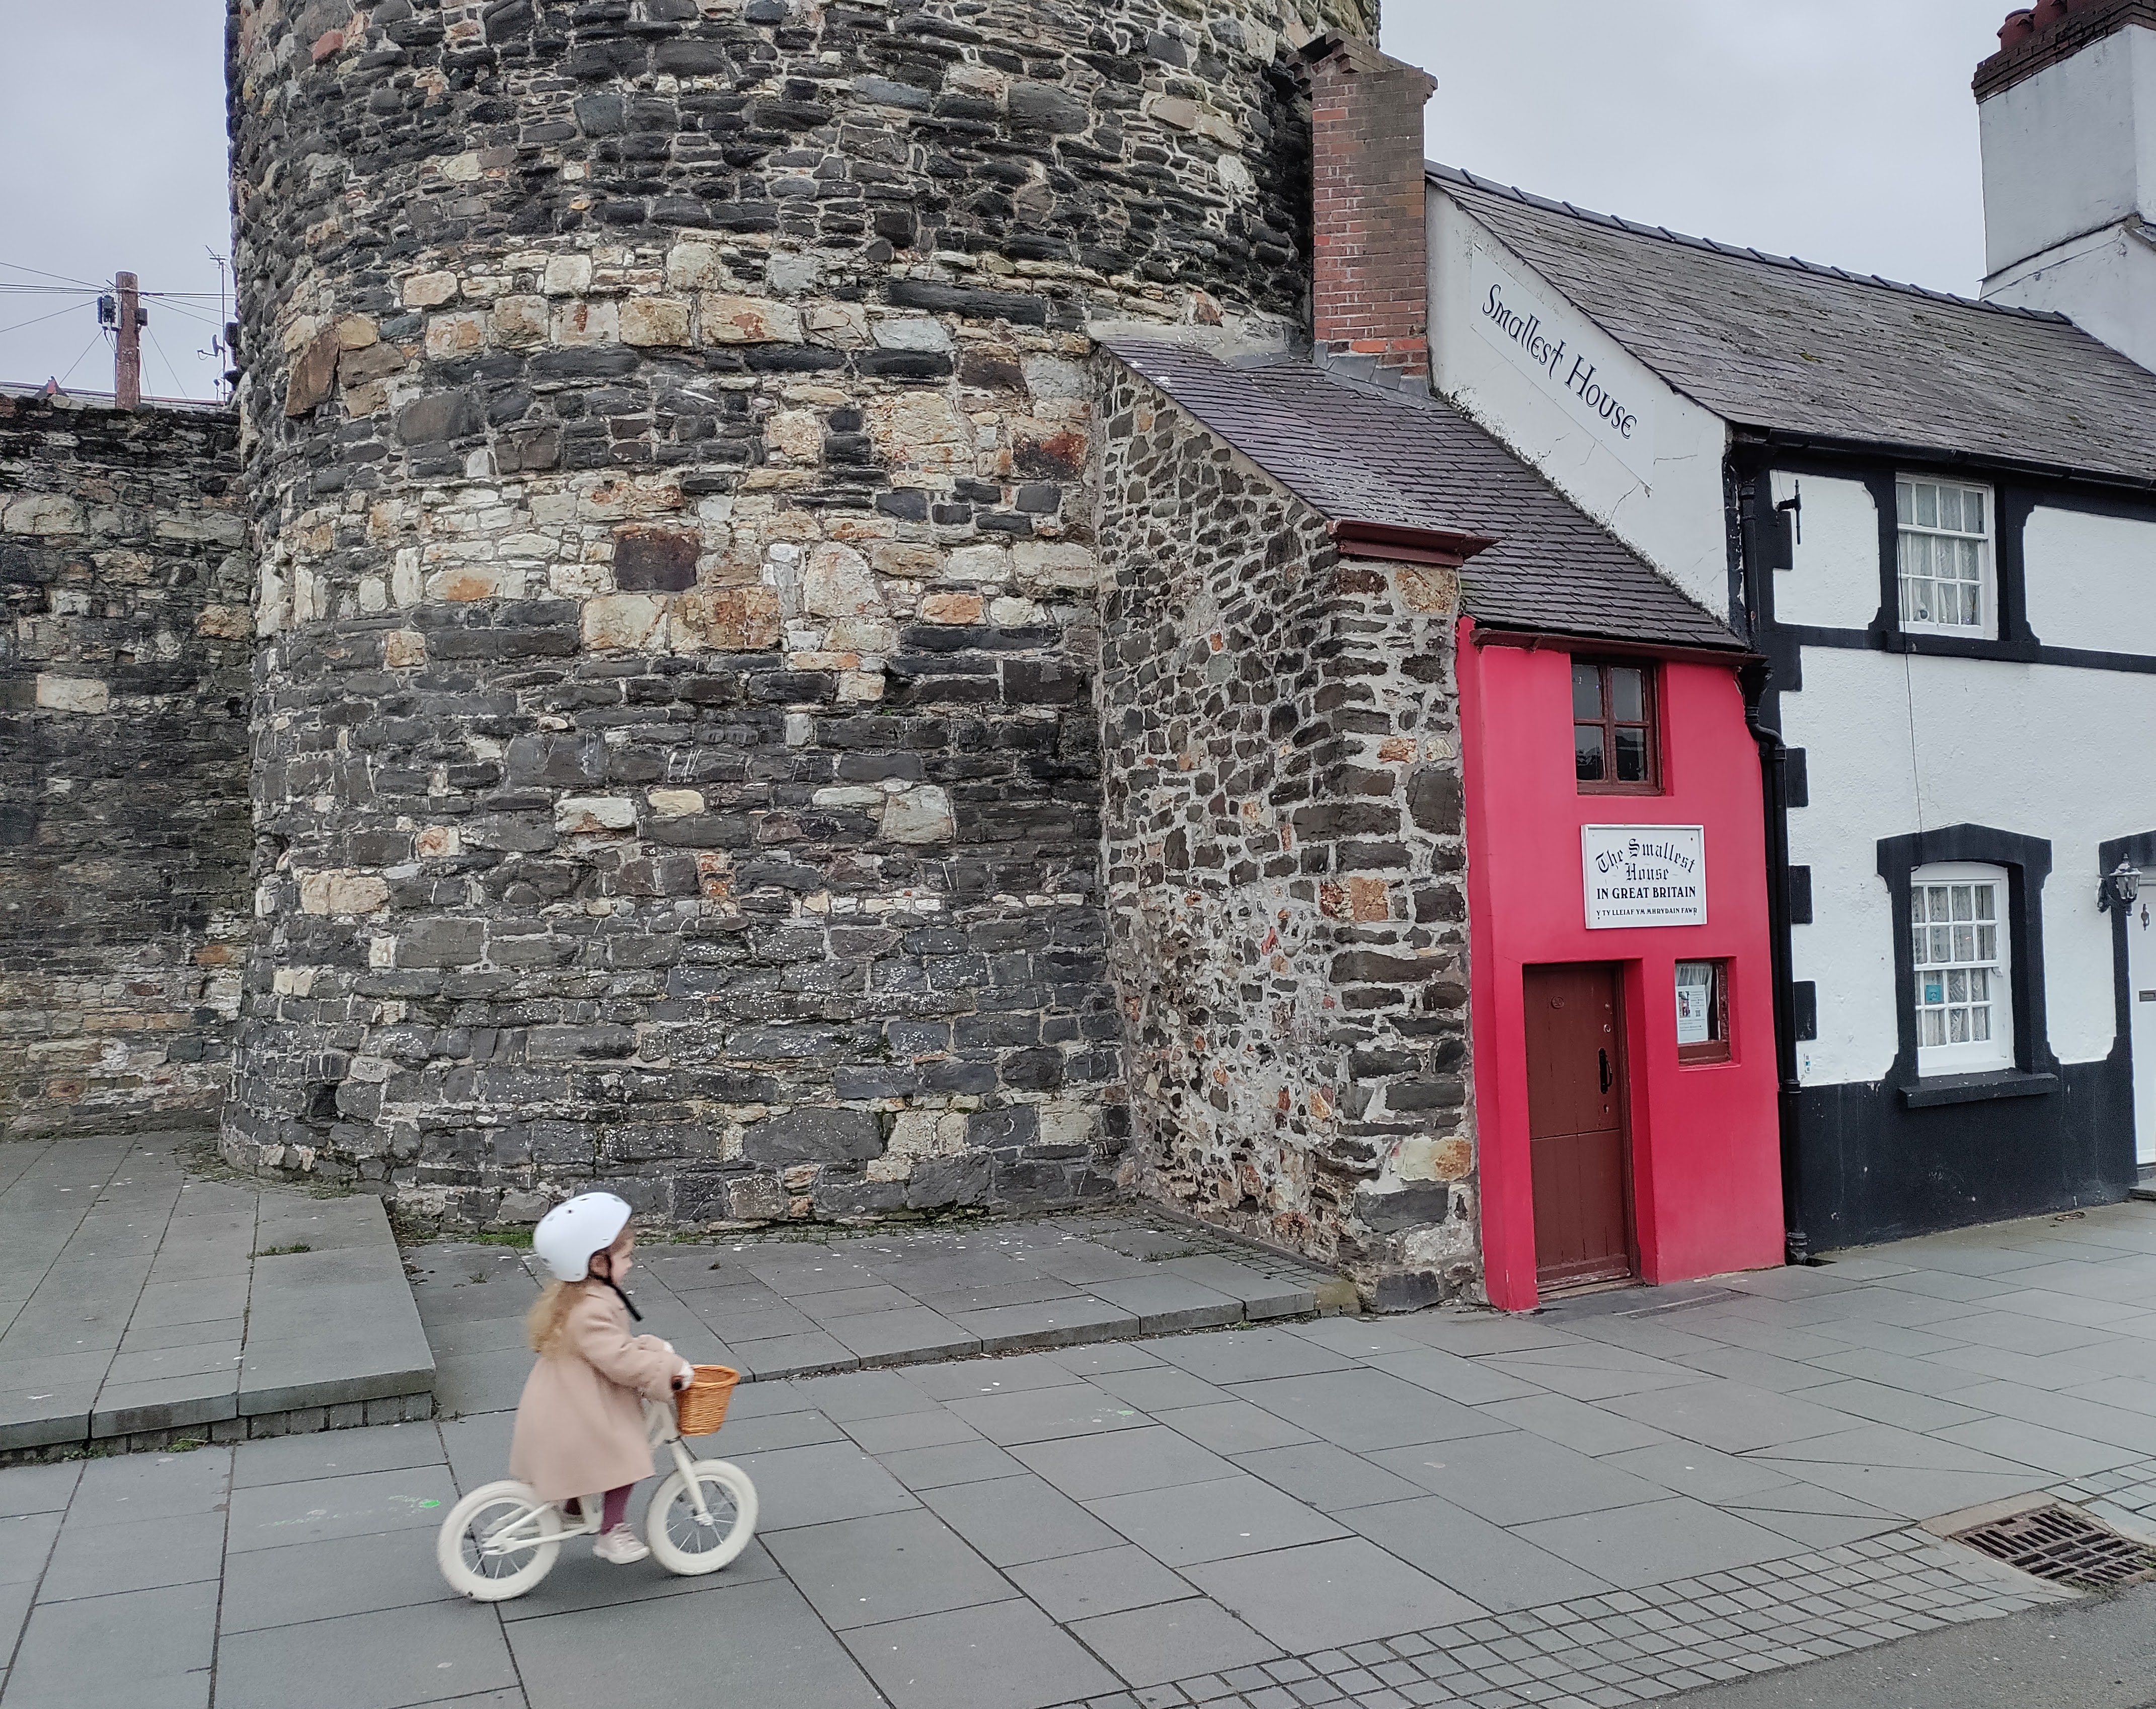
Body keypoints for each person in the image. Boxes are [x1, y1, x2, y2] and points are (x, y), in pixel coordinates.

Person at [511, 1193, 694, 1564]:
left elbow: (611, 1348)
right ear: (597, 1263)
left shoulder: (580, 1296)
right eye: (625, 1257)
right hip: (577, 1410)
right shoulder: (590, 1309)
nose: (631, 1264)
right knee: (626, 1453)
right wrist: (667, 1368)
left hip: (568, 1401)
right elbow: (620, 1361)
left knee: (602, 1451)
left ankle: (575, 1507)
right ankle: (612, 1532)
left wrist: (652, 1349)